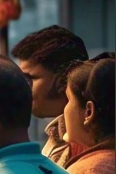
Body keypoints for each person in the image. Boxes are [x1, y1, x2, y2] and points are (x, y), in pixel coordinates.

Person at [11, 26, 88, 166]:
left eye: (30, 79)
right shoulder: (58, 134)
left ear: (62, 79)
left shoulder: (85, 140)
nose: (23, 87)